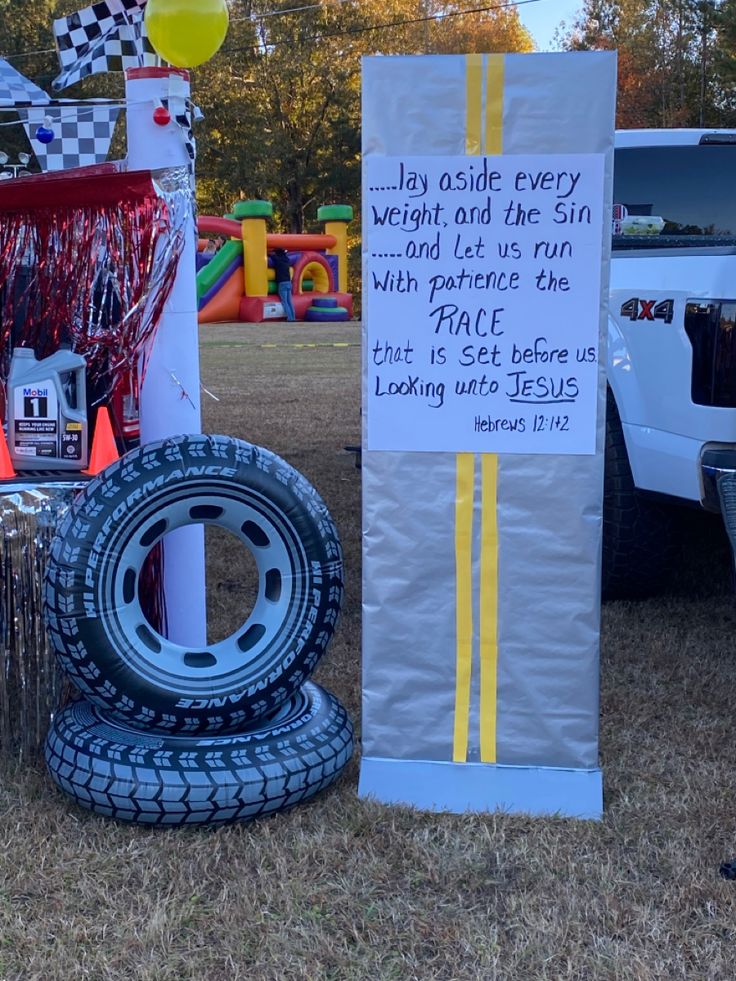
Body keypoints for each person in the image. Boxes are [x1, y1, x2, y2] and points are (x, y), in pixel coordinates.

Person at [271, 248, 296, 322]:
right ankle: (293, 317)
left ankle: (290, 318)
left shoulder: (277, 259)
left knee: (284, 301)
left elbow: (272, 256)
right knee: (290, 301)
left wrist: (270, 254)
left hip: (282, 283)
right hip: (289, 282)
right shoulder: (287, 260)